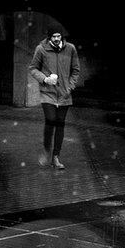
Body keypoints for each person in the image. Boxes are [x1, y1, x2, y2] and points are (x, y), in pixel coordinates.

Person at [30, 27, 81, 169]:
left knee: (60, 123)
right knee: (51, 119)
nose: (57, 39)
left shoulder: (70, 49)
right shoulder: (41, 49)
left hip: (64, 94)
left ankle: (56, 157)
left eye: (59, 36)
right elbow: (33, 68)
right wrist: (45, 79)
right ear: (49, 37)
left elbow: (76, 70)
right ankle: (46, 151)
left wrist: (70, 87)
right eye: (54, 36)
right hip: (48, 93)